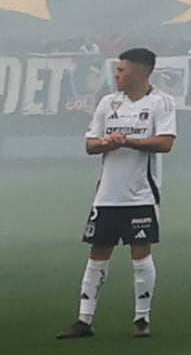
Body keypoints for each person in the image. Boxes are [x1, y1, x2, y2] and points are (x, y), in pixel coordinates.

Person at [68, 45, 178, 338]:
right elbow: (90, 145)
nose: (116, 74)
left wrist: (128, 142)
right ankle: (84, 319)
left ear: (140, 72)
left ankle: (142, 319)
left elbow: (166, 142)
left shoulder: (160, 102)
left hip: (141, 194)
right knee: (97, 252)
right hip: (107, 194)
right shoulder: (108, 103)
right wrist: (108, 143)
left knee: (140, 253)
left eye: (122, 70)